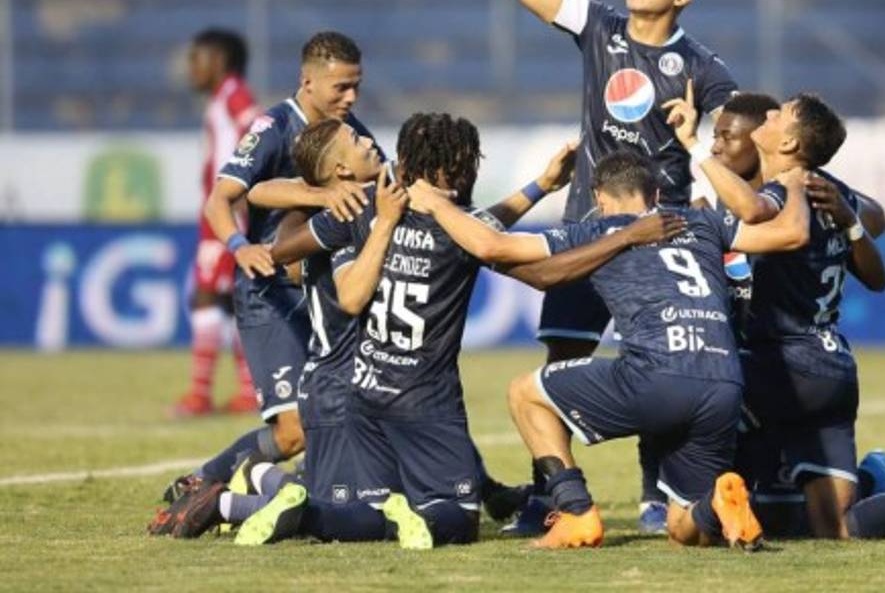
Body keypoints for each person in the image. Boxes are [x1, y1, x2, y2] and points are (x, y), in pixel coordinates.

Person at [220, 114, 685, 548]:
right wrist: (625, 236)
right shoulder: (458, 230)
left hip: (363, 393)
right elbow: (535, 268)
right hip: (424, 401)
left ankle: (296, 512)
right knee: (458, 518)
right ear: (450, 170)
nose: (472, 171)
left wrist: (541, 185)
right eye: (467, 163)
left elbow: (284, 247)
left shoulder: (365, 207)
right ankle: (266, 494)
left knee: (365, 510)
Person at [407, 150, 814, 550]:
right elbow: (792, 233)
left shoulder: (599, 231)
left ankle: (575, 512)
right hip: (723, 384)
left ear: (599, 198)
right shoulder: (702, 221)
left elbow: (492, 246)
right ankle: (717, 505)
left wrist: (437, 206)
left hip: (656, 377)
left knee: (525, 394)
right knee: (683, 528)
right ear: (656, 194)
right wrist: (795, 186)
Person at [506, 0, 739, 533]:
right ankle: (554, 499)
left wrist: (705, 139)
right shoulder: (599, 26)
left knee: (661, 359)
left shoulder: (701, 67)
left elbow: (743, 132)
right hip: (588, 226)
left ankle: (656, 497)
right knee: (562, 357)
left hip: (659, 239)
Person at [670, 91, 885, 545]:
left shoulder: (784, 191)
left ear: (789, 143)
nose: (770, 113)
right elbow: (878, 244)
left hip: (776, 366)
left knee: (693, 401)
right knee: (836, 527)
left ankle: (677, 507)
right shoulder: (829, 189)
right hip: (830, 367)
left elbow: (752, 211)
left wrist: (693, 146)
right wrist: (850, 220)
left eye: (779, 114)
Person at [154, 32, 380, 517]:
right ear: (308, 81)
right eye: (341, 87)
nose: (351, 97)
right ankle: (205, 482)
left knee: (360, 410)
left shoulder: (352, 132)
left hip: (325, 295)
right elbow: (222, 199)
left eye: (356, 86)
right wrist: (239, 246)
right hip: (270, 293)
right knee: (293, 432)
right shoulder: (274, 126)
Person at [173, 28, 261, 418]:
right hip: (222, 212)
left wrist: (242, 191)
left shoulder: (233, 94)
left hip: (228, 214)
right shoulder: (222, 98)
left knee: (207, 295)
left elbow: (256, 127)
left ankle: (200, 394)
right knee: (230, 299)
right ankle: (248, 392)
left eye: (197, 59)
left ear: (220, 61)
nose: (191, 68)